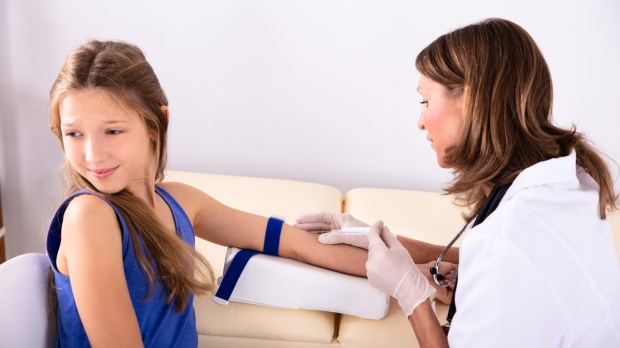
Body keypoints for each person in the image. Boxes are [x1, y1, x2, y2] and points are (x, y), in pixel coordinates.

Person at [295, 18, 620, 347]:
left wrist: (413, 294)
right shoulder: (572, 182)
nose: (420, 122)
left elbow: (506, 258)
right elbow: (533, 278)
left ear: (471, 100)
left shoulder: (505, 242)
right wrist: (380, 240)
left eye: (425, 101)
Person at [45, 40, 373, 347]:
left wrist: (416, 269)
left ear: (155, 124)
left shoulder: (180, 202)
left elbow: (299, 244)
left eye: (112, 131)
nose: (92, 154)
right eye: (74, 133)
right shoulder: (89, 217)